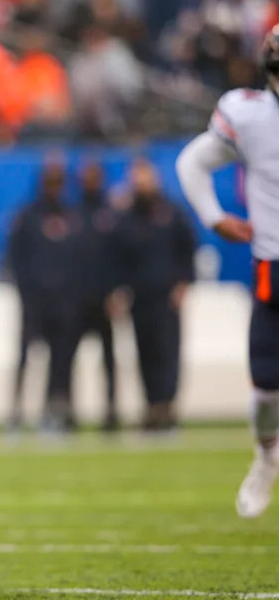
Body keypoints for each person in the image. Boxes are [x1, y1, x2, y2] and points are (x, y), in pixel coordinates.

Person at [175, 27, 275, 518]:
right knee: (265, 389)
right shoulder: (250, 114)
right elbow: (193, 162)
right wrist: (214, 216)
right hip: (273, 264)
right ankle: (266, 457)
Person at [114, 158, 195, 432]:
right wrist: (120, 291)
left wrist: (184, 283)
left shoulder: (172, 213)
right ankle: (151, 407)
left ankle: (167, 407)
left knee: (168, 352)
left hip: (166, 296)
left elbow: (188, 249)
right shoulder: (127, 217)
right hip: (140, 296)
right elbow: (118, 257)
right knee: (144, 352)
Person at [6, 159, 80, 432]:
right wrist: (27, 291)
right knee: (25, 358)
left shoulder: (72, 216)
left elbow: (79, 260)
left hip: (63, 304)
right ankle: (16, 413)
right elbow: (14, 258)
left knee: (60, 361)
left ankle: (54, 413)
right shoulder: (27, 216)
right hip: (34, 301)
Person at [69, 159, 120, 431]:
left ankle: (111, 411)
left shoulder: (110, 212)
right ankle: (68, 413)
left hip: (104, 298)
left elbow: (120, 257)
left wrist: (117, 291)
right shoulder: (72, 212)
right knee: (68, 357)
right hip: (77, 299)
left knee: (109, 358)